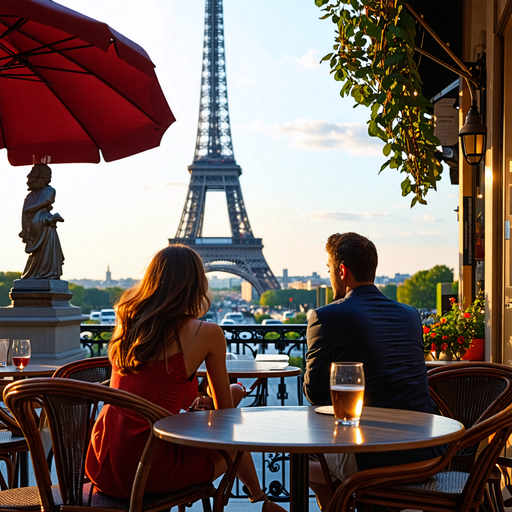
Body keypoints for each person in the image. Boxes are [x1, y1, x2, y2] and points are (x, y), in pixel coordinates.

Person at [85, 245, 284, 511]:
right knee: (235, 438)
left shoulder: (128, 321)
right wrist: (228, 397)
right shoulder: (207, 332)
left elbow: (149, 389)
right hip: (151, 467)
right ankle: (261, 500)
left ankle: (262, 500)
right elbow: (225, 417)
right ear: (196, 283)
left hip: (104, 462)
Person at [303, 232, 443, 509]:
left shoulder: (325, 316)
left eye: (329, 270)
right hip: (428, 452)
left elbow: (315, 394)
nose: (330, 277)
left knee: (304, 464)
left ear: (342, 271)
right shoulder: (410, 314)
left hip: (372, 458)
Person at [19, 163, 64, 279]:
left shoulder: (46, 191)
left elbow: (43, 203)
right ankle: (43, 273)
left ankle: (41, 274)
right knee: (45, 253)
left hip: (42, 224)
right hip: (40, 225)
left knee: (44, 253)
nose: (28, 177)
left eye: (32, 174)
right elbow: (26, 213)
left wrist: (29, 211)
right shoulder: (31, 196)